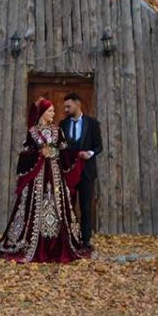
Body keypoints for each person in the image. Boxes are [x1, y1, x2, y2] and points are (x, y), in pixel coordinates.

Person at [0, 97, 92, 263]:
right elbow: (24, 156)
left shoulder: (57, 131)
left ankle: (58, 243)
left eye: (53, 111)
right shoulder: (32, 132)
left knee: (57, 205)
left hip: (55, 176)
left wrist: (72, 155)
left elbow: (65, 153)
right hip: (36, 179)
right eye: (50, 111)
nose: (53, 113)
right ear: (43, 113)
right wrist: (39, 154)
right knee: (31, 206)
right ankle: (30, 243)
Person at [61, 92, 103, 247]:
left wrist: (90, 153)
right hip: (69, 172)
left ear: (77, 104)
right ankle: (70, 239)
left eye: (68, 106)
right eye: (65, 107)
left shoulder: (92, 124)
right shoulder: (62, 124)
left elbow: (99, 146)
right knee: (68, 206)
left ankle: (85, 241)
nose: (66, 109)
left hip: (87, 172)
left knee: (85, 206)